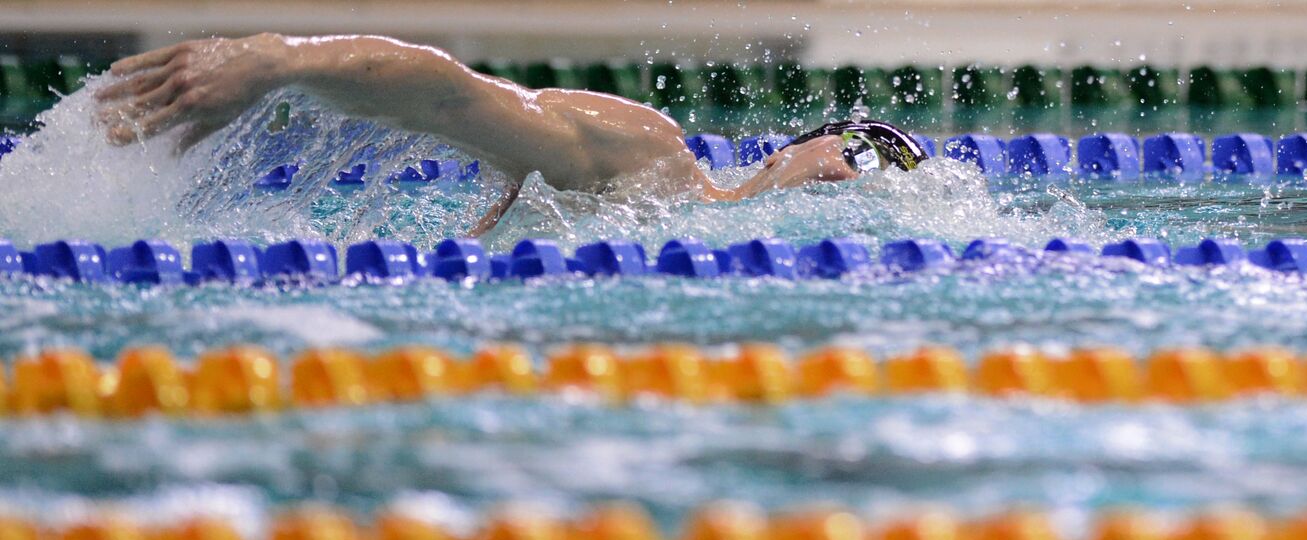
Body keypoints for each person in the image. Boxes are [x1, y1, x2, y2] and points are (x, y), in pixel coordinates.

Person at [96, 33, 928, 234]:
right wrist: (280, 58)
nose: (851, 176)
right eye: (852, 151)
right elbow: (454, 94)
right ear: (782, 149)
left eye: (870, 178)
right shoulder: (651, 158)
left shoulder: (686, 224)